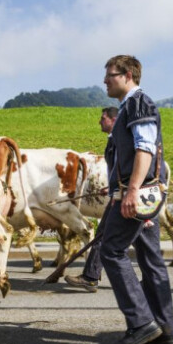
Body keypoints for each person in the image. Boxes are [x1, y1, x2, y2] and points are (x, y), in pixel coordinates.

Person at [97, 54, 173, 344]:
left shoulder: (137, 103)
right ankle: (166, 329)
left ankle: (142, 323)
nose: (105, 81)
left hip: (137, 196)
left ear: (128, 74)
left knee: (112, 251)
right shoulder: (130, 106)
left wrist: (131, 191)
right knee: (150, 257)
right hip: (144, 195)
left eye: (110, 75)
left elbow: (145, 149)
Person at [63, 106, 119, 292]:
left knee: (105, 237)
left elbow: (129, 166)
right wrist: (111, 187)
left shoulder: (121, 139)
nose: (99, 121)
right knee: (108, 237)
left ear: (114, 119)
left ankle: (91, 277)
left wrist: (121, 190)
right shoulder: (116, 139)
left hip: (124, 198)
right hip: (119, 195)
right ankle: (91, 276)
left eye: (103, 118)